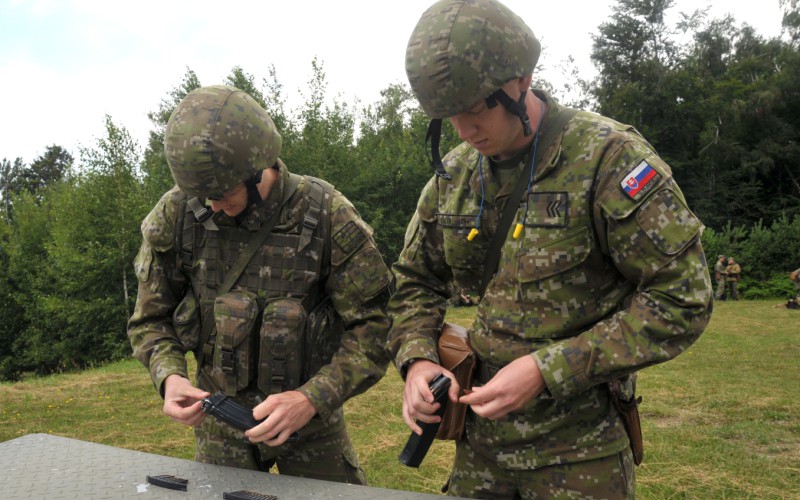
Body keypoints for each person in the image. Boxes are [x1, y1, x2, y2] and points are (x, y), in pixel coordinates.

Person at [386, 1, 713, 497]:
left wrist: (549, 368)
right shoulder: (454, 174)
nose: (464, 130)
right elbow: (415, 280)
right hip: (481, 451)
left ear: (522, 80)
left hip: (582, 451)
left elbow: (682, 297)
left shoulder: (608, 159)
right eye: (447, 117)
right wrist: (417, 359)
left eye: (476, 109)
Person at [128, 85, 393, 484]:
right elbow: (150, 319)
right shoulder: (179, 212)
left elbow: (375, 325)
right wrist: (170, 377)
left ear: (257, 168)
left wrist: (312, 398)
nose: (212, 206)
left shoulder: (325, 213)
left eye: (221, 193)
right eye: (201, 195)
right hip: (220, 428)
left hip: (311, 428)